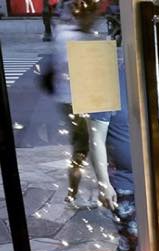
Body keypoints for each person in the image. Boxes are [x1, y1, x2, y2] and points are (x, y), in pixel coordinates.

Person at [87, 52, 159, 251]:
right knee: (133, 246)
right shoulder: (108, 84)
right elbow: (96, 138)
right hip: (126, 183)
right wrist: (103, 183)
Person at [52, 0, 100, 207]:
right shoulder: (73, 38)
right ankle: (73, 193)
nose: (96, 20)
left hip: (77, 100)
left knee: (86, 146)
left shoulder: (64, 34)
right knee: (84, 147)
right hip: (76, 101)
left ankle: (75, 192)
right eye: (93, 16)